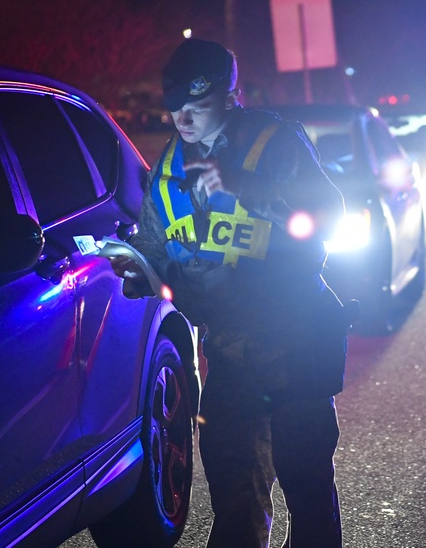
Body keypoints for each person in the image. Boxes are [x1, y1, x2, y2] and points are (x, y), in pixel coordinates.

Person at [111, 38, 350, 547]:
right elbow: (156, 244)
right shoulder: (169, 168)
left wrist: (249, 189)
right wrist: (141, 271)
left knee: (305, 484)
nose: (183, 120)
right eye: (175, 109)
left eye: (195, 108)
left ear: (228, 96)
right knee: (233, 490)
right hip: (229, 352)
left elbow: (329, 219)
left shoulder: (275, 142)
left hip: (296, 342)